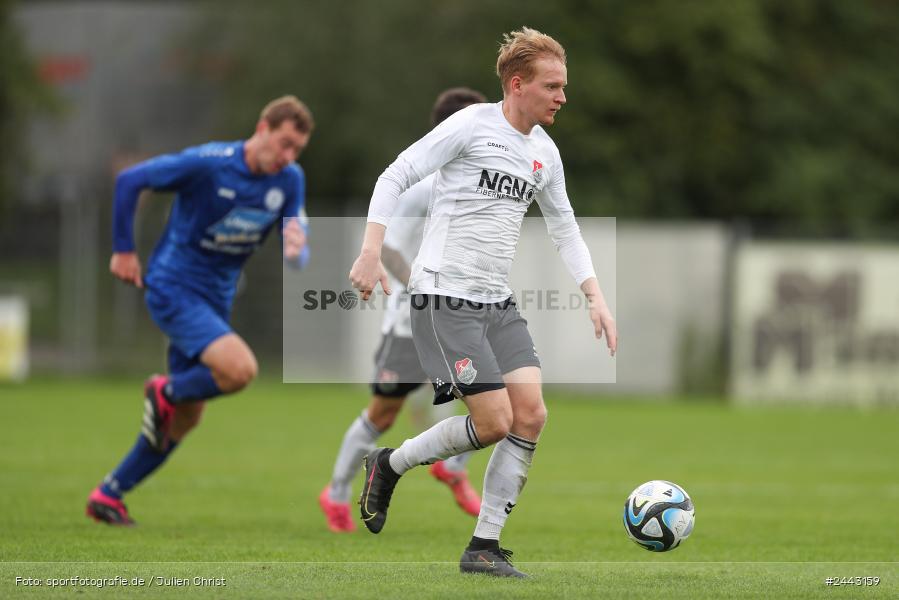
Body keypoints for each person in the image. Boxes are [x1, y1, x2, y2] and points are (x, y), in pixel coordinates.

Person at [349, 28, 617, 577]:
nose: (563, 96)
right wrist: (371, 251)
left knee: (531, 415)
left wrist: (596, 296)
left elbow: (565, 227)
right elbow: (394, 174)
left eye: (564, 86)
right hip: (443, 296)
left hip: (496, 302)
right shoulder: (471, 126)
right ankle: (389, 464)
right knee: (494, 421)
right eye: (553, 85)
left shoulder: (545, 152)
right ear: (518, 85)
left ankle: (483, 548)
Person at [86, 95, 314, 525]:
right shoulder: (210, 163)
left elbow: (296, 241)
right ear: (263, 127)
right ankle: (165, 390)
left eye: (297, 150)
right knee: (240, 369)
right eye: (284, 143)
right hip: (174, 286)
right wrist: (122, 249)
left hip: (215, 300)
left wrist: (298, 245)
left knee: (186, 418)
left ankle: (108, 494)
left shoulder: (289, 180)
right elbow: (131, 180)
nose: (288, 156)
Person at [319, 88, 488, 533]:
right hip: (409, 322)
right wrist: (424, 285)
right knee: (383, 414)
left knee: (502, 396)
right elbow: (388, 249)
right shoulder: (422, 188)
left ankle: (451, 468)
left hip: (456, 317)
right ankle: (336, 493)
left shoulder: (474, 185)